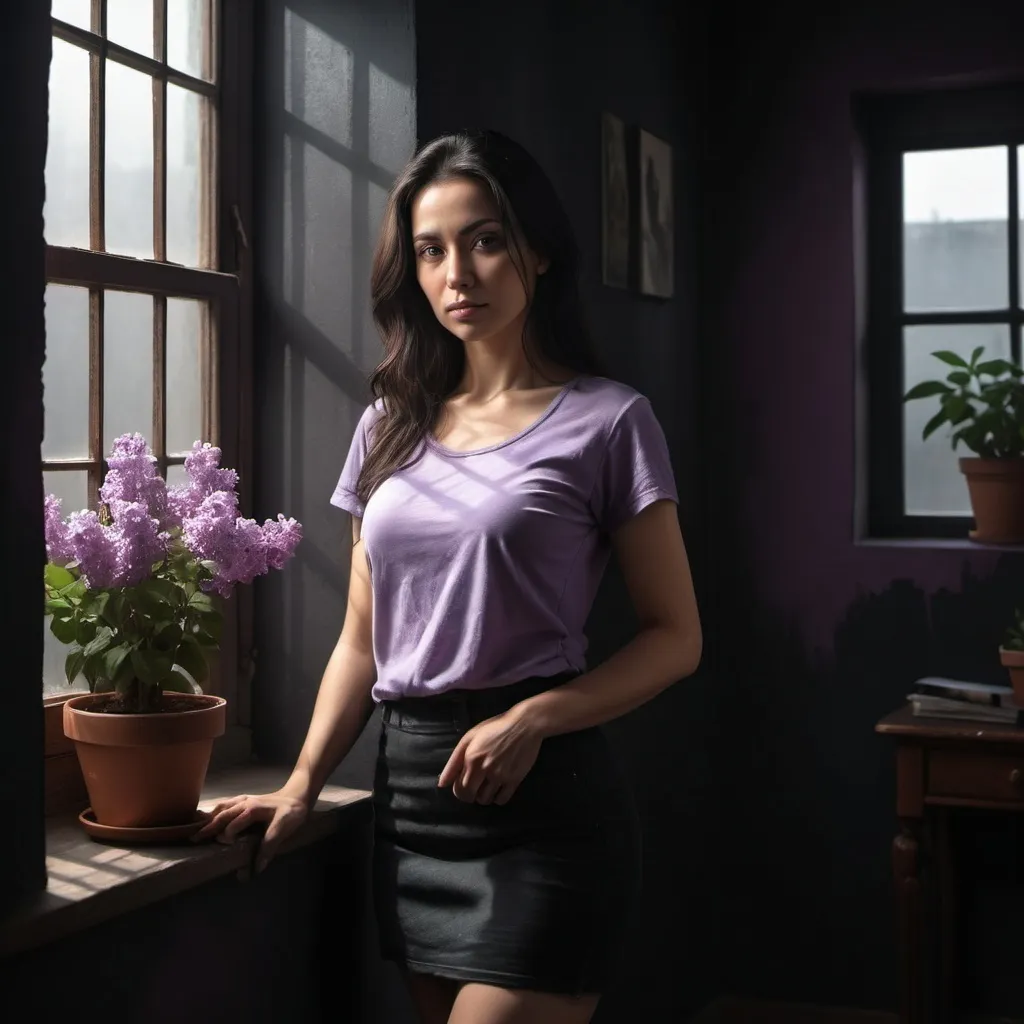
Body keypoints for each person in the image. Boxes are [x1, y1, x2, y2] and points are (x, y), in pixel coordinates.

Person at [195, 128, 702, 1024]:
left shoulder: (610, 422)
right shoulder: (391, 419)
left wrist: (537, 715)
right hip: (414, 800)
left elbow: (676, 637)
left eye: (485, 238)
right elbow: (363, 637)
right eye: (431, 249)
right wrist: (302, 783)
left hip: (542, 799)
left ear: (538, 252)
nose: (456, 273)